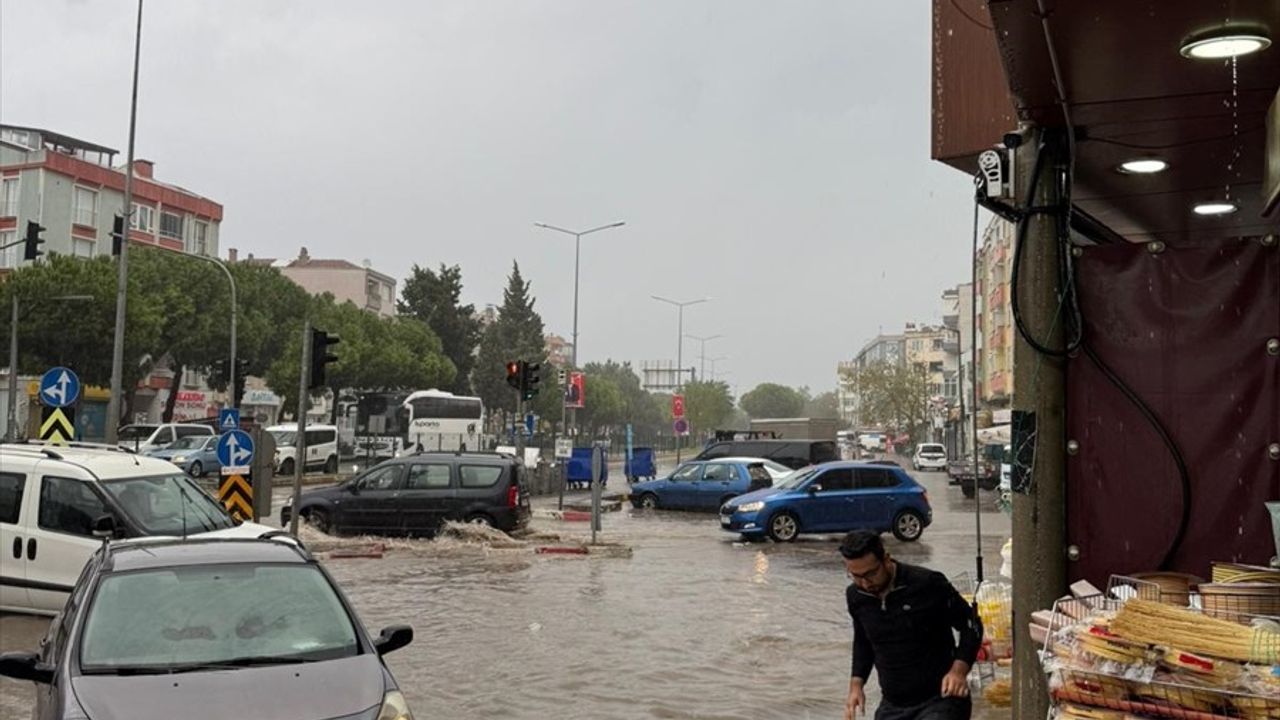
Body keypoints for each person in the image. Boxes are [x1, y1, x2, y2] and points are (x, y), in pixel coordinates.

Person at [842, 530, 981, 720]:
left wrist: (959, 671)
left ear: (886, 560)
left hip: (941, 698)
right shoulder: (856, 597)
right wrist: (856, 686)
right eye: (856, 576)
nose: (865, 583)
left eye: (871, 574)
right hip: (893, 704)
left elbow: (971, 625)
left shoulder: (927, 583)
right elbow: (863, 642)